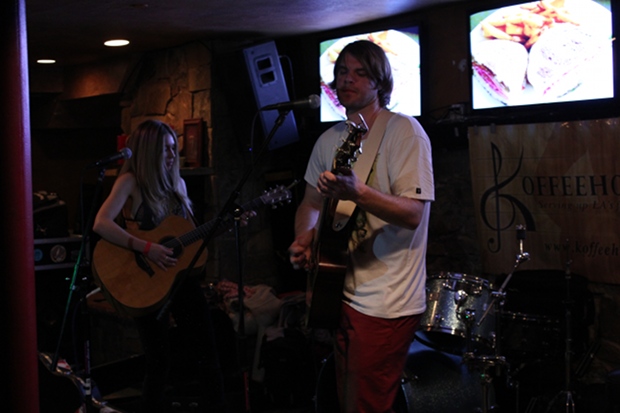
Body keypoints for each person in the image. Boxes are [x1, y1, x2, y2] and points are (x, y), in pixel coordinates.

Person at [288, 40, 435, 412]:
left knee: (366, 404)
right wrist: (304, 238)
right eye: (341, 72)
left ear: (379, 82)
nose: (347, 79)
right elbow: (310, 204)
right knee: (346, 399)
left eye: (359, 72)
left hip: (387, 299)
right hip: (337, 289)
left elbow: (413, 212)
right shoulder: (329, 139)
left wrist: (360, 191)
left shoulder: (404, 132)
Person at [93, 119, 252, 413]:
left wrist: (222, 226)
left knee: (207, 350)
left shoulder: (177, 184)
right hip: (145, 280)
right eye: (165, 149)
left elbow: (188, 236)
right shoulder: (129, 182)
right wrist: (147, 247)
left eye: (172, 148)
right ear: (149, 150)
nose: (172, 155)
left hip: (177, 278)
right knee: (158, 360)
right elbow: (101, 223)